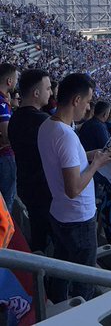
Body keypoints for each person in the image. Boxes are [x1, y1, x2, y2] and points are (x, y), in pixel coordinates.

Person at [39, 73, 111, 301]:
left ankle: (57, 304)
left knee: (62, 269)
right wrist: (96, 164)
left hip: (60, 213)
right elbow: (72, 189)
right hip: (78, 219)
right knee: (84, 278)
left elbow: (65, 161)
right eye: (88, 102)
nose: (89, 108)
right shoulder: (66, 136)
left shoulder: (48, 125)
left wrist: (90, 155)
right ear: (76, 100)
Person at [10, 69, 53, 252]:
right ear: (36, 93)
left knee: (37, 234)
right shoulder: (43, 121)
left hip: (25, 185)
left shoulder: (15, 117)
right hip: (43, 191)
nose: (51, 92)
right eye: (48, 88)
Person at [0, 63, 16, 209]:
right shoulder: (2, 104)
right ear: (9, 81)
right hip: (4, 156)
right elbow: (6, 136)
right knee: (6, 202)